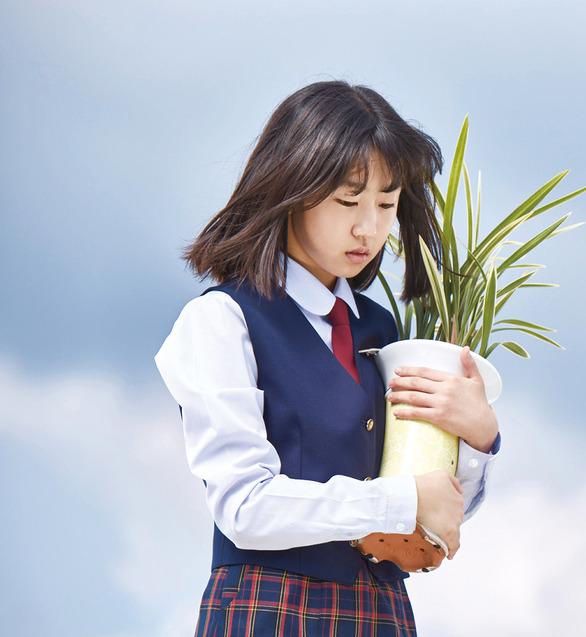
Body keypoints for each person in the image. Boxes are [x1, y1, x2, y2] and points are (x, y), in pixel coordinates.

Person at [155, 81, 500, 637]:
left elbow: (435, 513)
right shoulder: (223, 320)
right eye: (348, 200)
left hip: (381, 615)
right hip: (268, 612)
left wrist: (479, 439)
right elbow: (245, 506)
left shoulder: (383, 332)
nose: (370, 227)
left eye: (386, 204)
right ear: (292, 187)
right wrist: (399, 499)